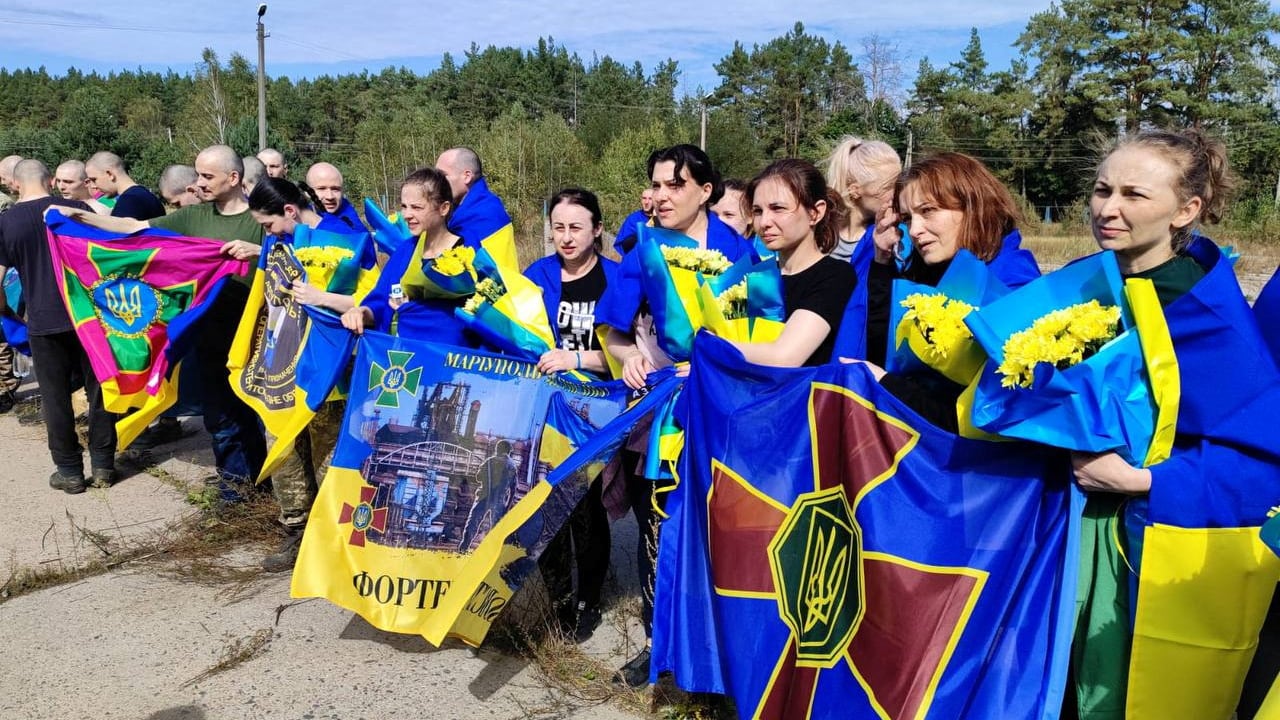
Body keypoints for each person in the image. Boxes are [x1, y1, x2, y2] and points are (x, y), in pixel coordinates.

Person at [1064, 129, 1280, 719]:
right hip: (1056, 532)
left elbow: (1261, 461)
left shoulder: (1205, 310)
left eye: (1134, 194)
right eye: (1102, 189)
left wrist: (1145, 483)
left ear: (1187, 210)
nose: (1108, 208)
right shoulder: (1077, 285)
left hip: (1143, 547)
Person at [595, 143, 755, 686]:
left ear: (705, 191)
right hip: (660, 409)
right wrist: (631, 356)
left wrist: (714, 365)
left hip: (725, 411)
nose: (661, 198)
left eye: (674, 186)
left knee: (721, 525)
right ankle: (654, 641)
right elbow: (614, 332)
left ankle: (721, 646)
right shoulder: (643, 249)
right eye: (656, 186)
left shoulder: (744, 254)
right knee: (656, 526)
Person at [58, 145, 268, 500]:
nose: (197, 183)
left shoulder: (262, 218)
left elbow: (293, 257)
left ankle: (261, 481)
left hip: (256, 335)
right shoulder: (193, 217)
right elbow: (133, 227)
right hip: (209, 335)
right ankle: (235, 486)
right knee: (219, 416)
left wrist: (258, 253)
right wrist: (78, 217)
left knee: (255, 413)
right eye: (198, 174)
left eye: (207, 176)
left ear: (233, 178)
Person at [845, 152, 1039, 432]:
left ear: (973, 205)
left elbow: (989, 418)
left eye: (928, 211)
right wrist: (881, 262)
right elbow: (882, 350)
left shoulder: (1012, 285)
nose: (914, 230)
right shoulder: (931, 271)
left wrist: (887, 384)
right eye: (908, 218)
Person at [247, 177, 368, 572]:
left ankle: (333, 538)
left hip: (328, 367)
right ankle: (295, 529)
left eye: (268, 224)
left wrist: (322, 299)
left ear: (289, 210)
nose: (267, 234)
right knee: (282, 448)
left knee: (327, 455)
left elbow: (371, 299)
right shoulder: (275, 242)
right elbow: (268, 300)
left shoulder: (344, 238)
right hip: (281, 365)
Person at [524, 188, 619, 641]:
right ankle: (558, 598)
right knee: (546, 504)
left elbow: (631, 356)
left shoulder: (617, 281)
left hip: (599, 411)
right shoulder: (537, 276)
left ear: (597, 229)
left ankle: (590, 598)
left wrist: (576, 360)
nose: (566, 237)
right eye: (558, 228)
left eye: (576, 228)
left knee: (587, 508)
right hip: (545, 409)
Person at [0, 160, 111, 492]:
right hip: (88, 316)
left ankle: (70, 471)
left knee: (54, 397)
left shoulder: (6, 222)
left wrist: (15, 318)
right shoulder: (75, 208)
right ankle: (104, 465)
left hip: (43, 319)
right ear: (50, 180)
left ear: (15, 185)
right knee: (99, 390)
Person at [728, 159, 856, 367]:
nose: (765, 222)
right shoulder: (757, 277)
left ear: (815, 212)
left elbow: (785, 356)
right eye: (758, 211)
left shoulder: (836, 276)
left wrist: (710, 347)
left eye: (777, 208)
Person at [341, 167, 475, 344]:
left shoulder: (469, 251)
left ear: (443, 208)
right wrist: (361, 312)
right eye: (404, 207)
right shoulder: (406, 251)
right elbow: (380, 299)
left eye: (416, 207)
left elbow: (484, 314)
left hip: (453, 360)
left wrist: (416, 308)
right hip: (407, 358)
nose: (406, 215)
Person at [434, 147, 511, 240]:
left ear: (467, 177)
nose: (436, 182)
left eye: (442, 175)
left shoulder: (486, 213)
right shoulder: (459, 206)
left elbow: (456, 253)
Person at [457, 440, 517, 552]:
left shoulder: (489, 461)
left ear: (498, 449)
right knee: (496, 529)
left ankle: (463, 549)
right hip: (499, 501)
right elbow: (513, 489)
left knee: (473, 524)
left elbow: (478, 478)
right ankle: (491, 554)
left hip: (483, 497)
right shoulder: (512, 466)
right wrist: (507, 505)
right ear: (509, 451)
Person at [84, 151, 165, 221]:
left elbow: (119, 237)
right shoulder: (148, 195)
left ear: (110, 174)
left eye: (94, 180)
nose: (93, 186)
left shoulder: (129, 201)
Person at [305, 162, 367, 233]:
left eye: (335, 189)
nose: (330, 196)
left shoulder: (353, 225)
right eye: (321, 189)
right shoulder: (296, 222)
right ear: (307, 192)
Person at [613, 186, 656, 254]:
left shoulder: (661, 218)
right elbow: (624, 245)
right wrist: (644, 230)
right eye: (644, 198)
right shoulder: (633, 219)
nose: (646, 202)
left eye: (650, 199)